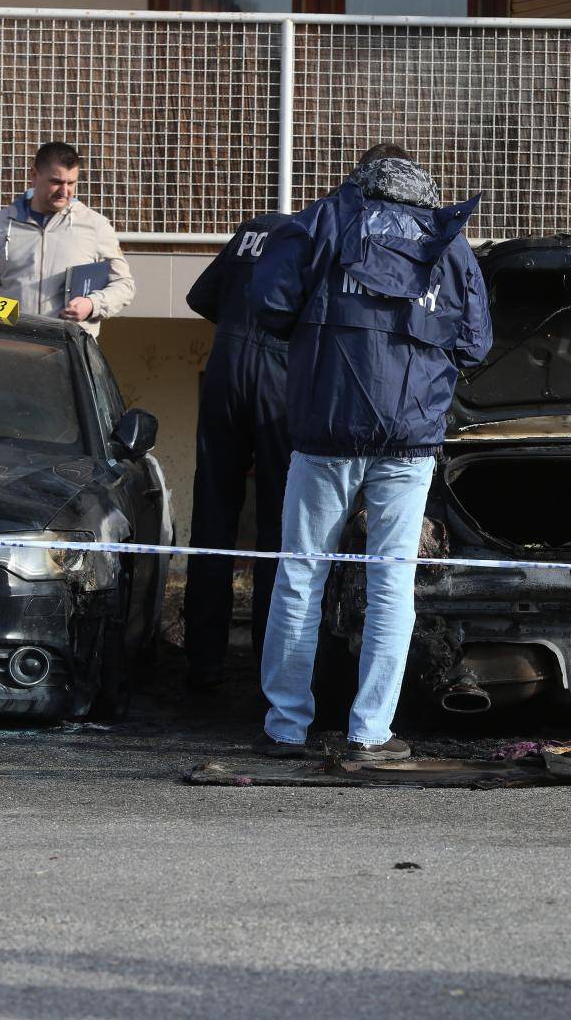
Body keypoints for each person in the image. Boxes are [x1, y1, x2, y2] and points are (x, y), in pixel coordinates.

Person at [247, 144, 492, 761]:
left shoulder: (321, 221)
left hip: (325, 432)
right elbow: (476, 343)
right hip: (410, 439)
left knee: (301, 573)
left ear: (361, 177)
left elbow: (268, 306)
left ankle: (286, 725)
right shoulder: (448, 241)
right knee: (392, 584)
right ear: (418, 181)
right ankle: (371, 731)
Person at [181, 212, 292, 692]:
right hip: (281, 377)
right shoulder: (318, 234)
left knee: (212, 521)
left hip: (224, 368)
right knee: (279, 527)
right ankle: (269, 662)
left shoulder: (255, 228)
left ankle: (202, 664)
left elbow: (199, 296)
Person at [0, 141, 134, 335]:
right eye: (56, 182)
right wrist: (4, 328)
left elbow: (124, 285)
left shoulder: (95, 226)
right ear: (34, 176)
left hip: (69, 352)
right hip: (13, 348)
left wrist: (92, 304)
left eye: (71, 183)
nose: (64, 191)